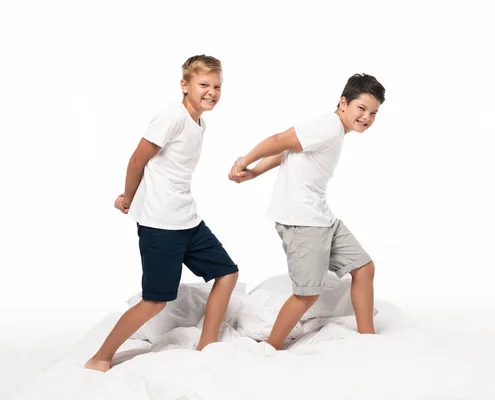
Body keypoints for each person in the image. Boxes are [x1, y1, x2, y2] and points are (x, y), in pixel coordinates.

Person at [85, 55, 239, 372]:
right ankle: (100, 357)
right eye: (204, 85)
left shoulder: (199, 122)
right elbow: (137, 160)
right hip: (161, 224)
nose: (211, 92)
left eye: (217, 86)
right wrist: (128, 198)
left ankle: (207, 346)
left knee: (227, 273)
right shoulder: (171, 117)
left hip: (189, 221)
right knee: (155, 300)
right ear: (184, 85)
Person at [228, 73, 385, 350]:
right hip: (302, 220)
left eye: (373, 113)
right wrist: (245, 160)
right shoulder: (327, 126)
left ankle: (368, 340)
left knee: (363, 268)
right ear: (343, 102)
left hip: (321, 216)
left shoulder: (334, 131)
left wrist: (254, 173)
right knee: (307, 294)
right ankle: (271, 348)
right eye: (362, 108)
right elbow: (280, 139)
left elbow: (289, 150)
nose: (367, 118)